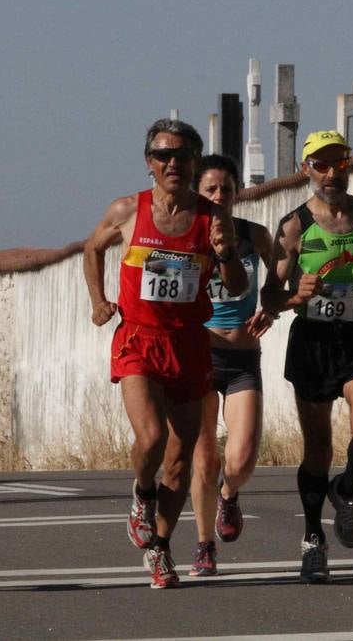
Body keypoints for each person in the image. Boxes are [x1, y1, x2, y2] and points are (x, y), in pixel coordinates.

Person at [82, 118, 247, 589]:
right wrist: (99, 301)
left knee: (180, 458)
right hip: (139, 337)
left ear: (195, 162)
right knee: (151, 437)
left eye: (182, 156)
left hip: (189, 343)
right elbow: (92, 250)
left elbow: (235, 288)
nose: (172, 163)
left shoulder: (212, 218)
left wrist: (229, 255)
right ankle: (140, 494)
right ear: (149, 162)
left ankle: (159, 548)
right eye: (163, 155)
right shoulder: (126, 210)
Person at [260, 130, 353, 583]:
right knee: (317, 447)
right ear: (307, 171)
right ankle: (312, 539)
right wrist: (293, 293)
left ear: (349, 164)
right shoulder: (295, 225)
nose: (331, 172)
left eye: (338, 162)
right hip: (314, 342)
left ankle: (347, 487)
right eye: (321, 164)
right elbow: (271, 294)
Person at [186, 154, 274, 577]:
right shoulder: (186, 238)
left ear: (238, 192)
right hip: (200, 357)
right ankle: (204, 545)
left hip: (243, 358)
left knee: (240, 460)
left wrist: (271, 310)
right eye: (210, 189)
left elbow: (280, 281)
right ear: (197, 193)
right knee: (203, 459)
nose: (219, 196)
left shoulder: (256, 236)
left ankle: (229, 493)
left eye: (226, 188)